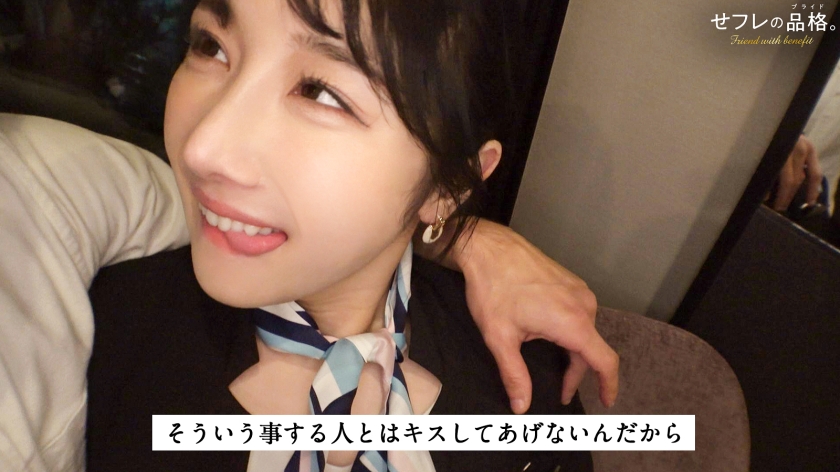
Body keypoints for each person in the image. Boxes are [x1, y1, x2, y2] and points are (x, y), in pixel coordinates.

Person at [0, 0, 617, 470]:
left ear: (450, 183)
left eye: (321, 92)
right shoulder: (104, 330)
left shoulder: (524, 379)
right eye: (211, 46)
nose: (203, 147)